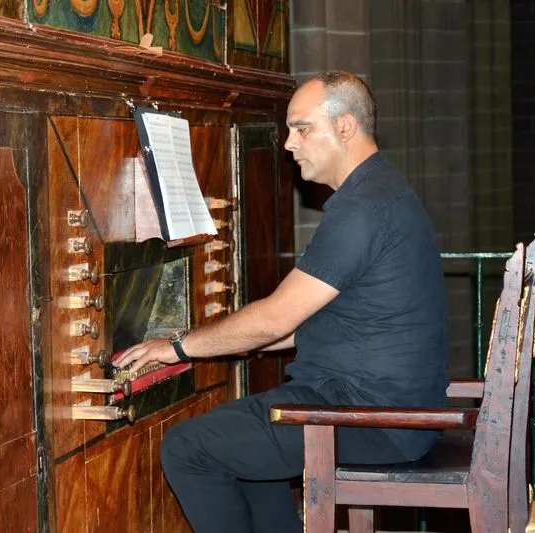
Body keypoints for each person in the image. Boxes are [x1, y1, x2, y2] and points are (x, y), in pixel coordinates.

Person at [113, 71, 449, 533]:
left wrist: (175, 347)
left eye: (302, 128)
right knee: (245, 446)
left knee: (188, 447)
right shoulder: (380, 191)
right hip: (379, 406)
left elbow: (273, 320)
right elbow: (311, 321)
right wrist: (219, 336)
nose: (289, 144)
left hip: (374, 418)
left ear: (346, 127)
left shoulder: (363, 210)